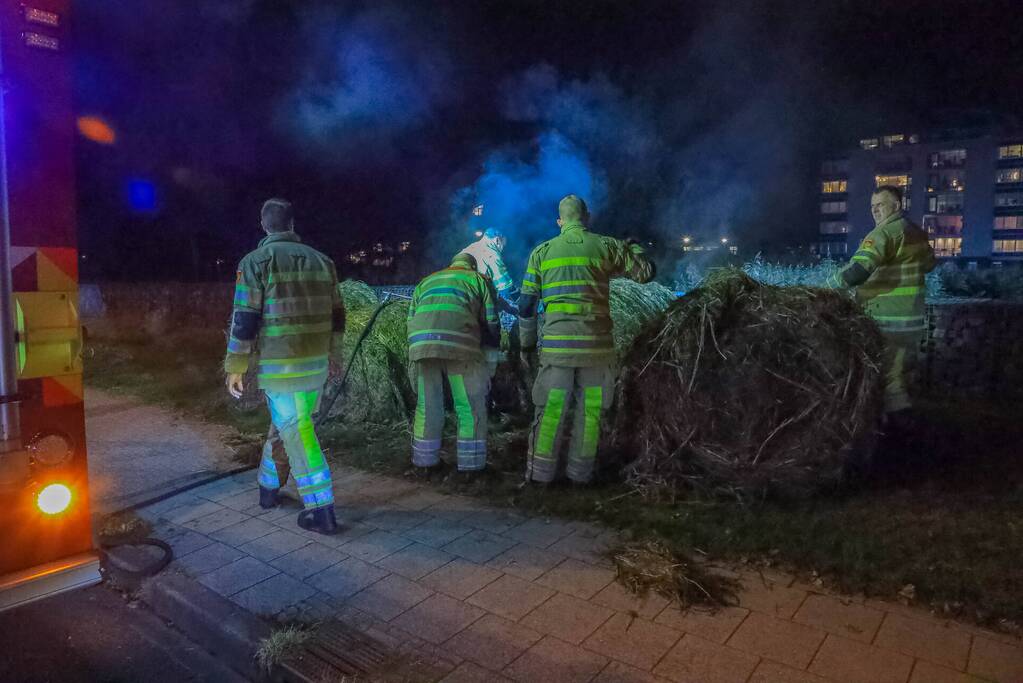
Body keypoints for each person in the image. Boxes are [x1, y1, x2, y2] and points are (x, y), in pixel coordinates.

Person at [224, 198, 345, 535]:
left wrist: (236, 365)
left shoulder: (255, 262)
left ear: (264, 226)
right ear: (291, 224)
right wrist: (334, 355)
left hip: (282, 368)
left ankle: (321, 509)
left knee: (297, 431)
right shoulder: (324, 262)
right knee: (287, 426)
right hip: (316, 366)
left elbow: (245, 319)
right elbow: (338, 317)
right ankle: (268, 489)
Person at [518, 195, 655, 485]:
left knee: (551, 410)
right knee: (591, 414)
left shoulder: (541, 252)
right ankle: (579, 477)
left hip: (558, 351)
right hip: (597, 350)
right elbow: (646, 274)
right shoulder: (606, 246)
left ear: (560, 221)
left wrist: (526, 345)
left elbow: (526, 305)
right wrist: (634, 247)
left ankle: (540, 477)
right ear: (587, 217)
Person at [826, 185, 937, 417]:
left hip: (885, 320)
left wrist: (827, 285)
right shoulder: (916, 232)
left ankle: (892, 432)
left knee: (883, 379)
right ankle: (904, 426)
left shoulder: (883, 233)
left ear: (896, 206)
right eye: (872, 206)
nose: (875, 211)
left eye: (881, 205)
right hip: (911, 321)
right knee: (899, 377)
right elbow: (929, 264)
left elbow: (858, 271)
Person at [407, 253, 501, 472]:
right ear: (472, 265)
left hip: (422, 349)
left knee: (427, 406)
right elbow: (492, 321)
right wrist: (492, 354)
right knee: (468, 406)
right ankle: (471, 467)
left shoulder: (427, 280)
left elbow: (410, 318)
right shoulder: (478, 279)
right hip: (460, 349)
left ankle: (424, 464)